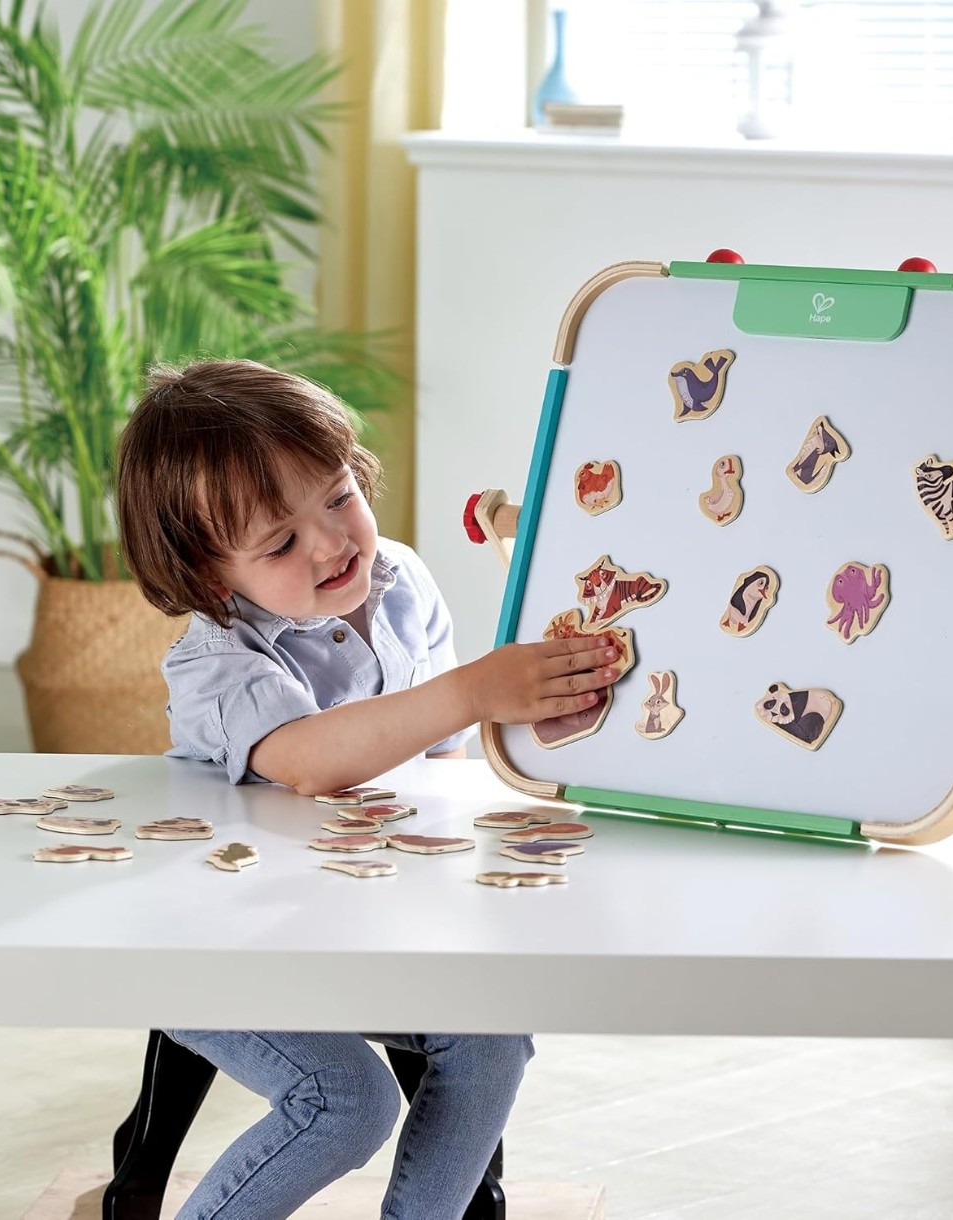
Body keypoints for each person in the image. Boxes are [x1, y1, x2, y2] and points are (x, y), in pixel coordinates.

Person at [116, 358, 620, 1220]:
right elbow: (310, 759)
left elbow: (438, 759)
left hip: (354, 925)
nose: (330, 542)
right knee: (348, 1101)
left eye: (339, 496)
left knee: (493, 1039)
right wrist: (473, 691)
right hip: (219, 954)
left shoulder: (402, 582)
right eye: (280, 543)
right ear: (209, 576)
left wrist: (534, 714)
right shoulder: (216, 659)